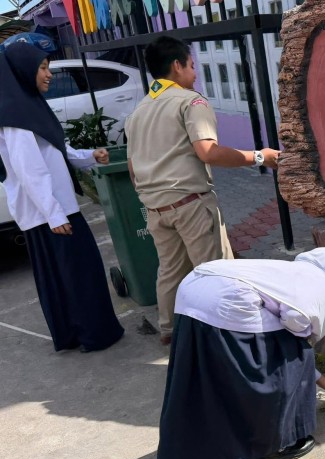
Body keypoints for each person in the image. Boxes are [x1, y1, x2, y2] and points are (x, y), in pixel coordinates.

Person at [125, 35, 280, 346]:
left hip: (155, 208)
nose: (195, 73)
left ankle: (169, 330)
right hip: (190, 204)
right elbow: (208, 151)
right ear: (177, 65)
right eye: (192, 65)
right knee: (216, 273)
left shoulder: (138, 112)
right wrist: (260, 157)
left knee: (170, 271)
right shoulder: (190, 102)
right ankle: (229, 338)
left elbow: (132, 168)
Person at [157, 248, 325, 459]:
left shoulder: (287, 271)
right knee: (280, 369)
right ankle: (271, 448)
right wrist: (300, 358)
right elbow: (298, 324)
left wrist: (321, 380)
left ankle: (214, 442)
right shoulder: (322, 284)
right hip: (227, 302)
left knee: (224, 374)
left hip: (191, 290)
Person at [0, 42, 124, 353]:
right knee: (80, 276)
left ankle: (74, 335)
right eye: (42, 68)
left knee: (66, 278)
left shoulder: (28, 107)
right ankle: (94, 335)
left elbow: (58, 149)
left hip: (52, 211)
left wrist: (90, 156)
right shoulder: (16, 116)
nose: (49, 74)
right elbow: (29, 171)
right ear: (22, 72)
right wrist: (54, 214)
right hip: (50, 214)